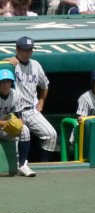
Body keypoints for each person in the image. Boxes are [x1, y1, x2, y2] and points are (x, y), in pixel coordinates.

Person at [6, 37, 57, 176]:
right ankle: (20, 165)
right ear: (17, 49)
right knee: (23, 133)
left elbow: (45, 85)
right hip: (13, 112)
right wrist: (8, 61)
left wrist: (41, 100)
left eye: (30, 50)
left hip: (30, 109)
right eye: (24, 50)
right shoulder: (10, 63)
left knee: (51, 135)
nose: (27, 53)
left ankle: (44, 166)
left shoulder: (35, 65)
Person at [0, 69, 28, 170]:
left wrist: (20, 120)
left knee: (25, 130)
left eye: (8, 82)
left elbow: (18, 113)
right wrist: (3, 123)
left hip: (6, 128)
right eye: (2, 82)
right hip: (3, 124)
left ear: (11, 83)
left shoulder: (15, 94)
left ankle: (23, 165)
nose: (5, 85)